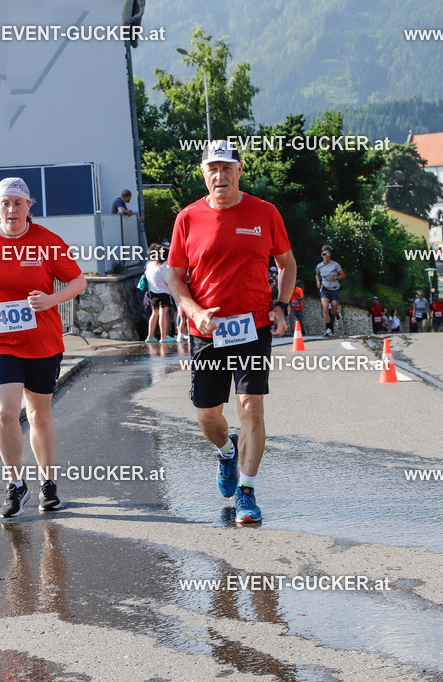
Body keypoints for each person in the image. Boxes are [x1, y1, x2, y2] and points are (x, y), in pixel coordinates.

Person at [166, 140, 295, 524]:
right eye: (213, 169)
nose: (220, 176)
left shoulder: (265, 213)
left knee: (250, 406)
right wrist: (194, 311)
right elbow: (174, 276)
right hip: (207, 330)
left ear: (239, 171)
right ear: (204, 174)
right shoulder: (187, 219)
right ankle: (226, 451)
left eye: (227, 168)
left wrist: (281, 305)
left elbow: (287, 263)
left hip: (253, 327)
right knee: (208, 415)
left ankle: (247, 491)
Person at [0, 177, 87, 518]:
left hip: (42, 341)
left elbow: (78, 280)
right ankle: (15, 485)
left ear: (29, 207)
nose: (11, 209)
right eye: (5, 203)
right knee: (4, 412)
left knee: (39, 413)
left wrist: (51, 299)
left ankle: (48, 483)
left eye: (18, 203)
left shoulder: (46, 241)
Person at [144, 245, 175, 343]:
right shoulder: (163, 267)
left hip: (152, 292)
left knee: (154, 314)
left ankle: (150, 336)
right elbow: (168, 281)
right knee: (163, 313)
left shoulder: (149, 264)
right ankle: (164, 336)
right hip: (163, 292)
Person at [315, 245, 344, 336]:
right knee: (325, 308)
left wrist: (335, 277)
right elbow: (317, 274)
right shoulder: (319, 266)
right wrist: (318, 282)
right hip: (325, 289)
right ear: (321, 255)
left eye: (327, 254)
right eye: (324, 254)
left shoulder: (335, 265)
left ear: (330, 254)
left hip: (335, 289)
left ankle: (338, 316)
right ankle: (328, 329)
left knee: (333, 311)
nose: (325, 256)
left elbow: (343, 275)